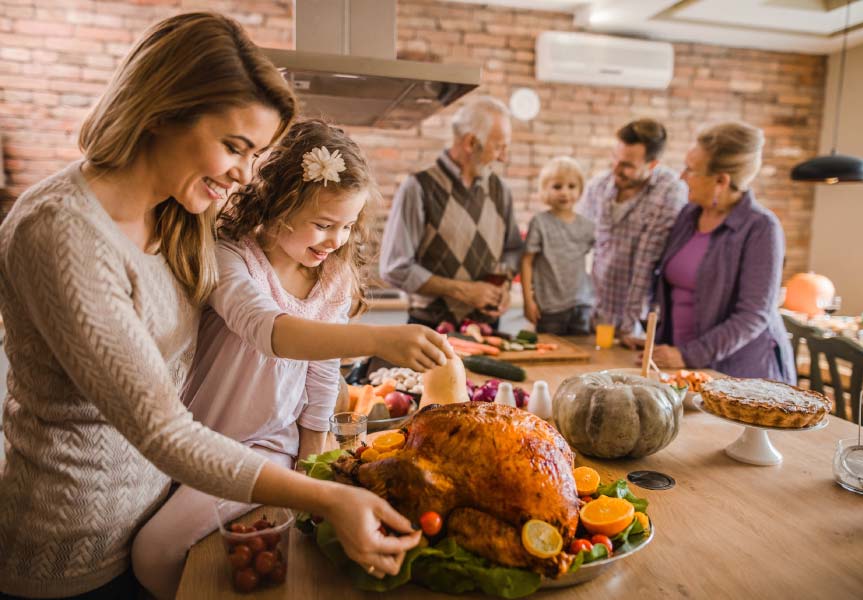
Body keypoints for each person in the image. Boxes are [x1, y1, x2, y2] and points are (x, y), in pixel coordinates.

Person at [0, 14, 428, 598]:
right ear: (162, 109)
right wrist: (327, 493)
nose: (245, 175)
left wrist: (314, 449)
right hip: (75, 551)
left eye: (256, 154)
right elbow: (164, 430)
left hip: (153, 510)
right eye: (235, 147)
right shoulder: (61, 232)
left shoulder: (179, 216)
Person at [130, 119, 452, 599]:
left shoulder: (333, 281)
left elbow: (323, 376)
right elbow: (267, 331)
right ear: (280, 207)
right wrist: (375, 339)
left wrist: (311, 461)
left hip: (265, 449)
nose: (335, 241)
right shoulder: (230, 258)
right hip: (197, 442)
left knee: (153, 551)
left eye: (347, 226)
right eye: (323, 225)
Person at [649, 122, 796, 383]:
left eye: (691, 170)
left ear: (721, 181)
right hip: (684, 367)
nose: (682, 177)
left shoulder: (761, 227)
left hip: (740, 375)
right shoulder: (688, 216)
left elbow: (753, 315)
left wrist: (688, 355)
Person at [379, 96, 524, 330]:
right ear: (470, 143)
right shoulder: (419, 188)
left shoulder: (501, 190)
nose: (504, 157)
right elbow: (395, 268)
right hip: (430, 331)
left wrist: (503, 287)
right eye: (498, 147)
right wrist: (463, 291)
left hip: (487, 330)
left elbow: (513, 250)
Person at [577, 118, 687, 345]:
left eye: (627, 165)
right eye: (615, 158)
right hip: (595, 316)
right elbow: (578, 246)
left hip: (640, 325)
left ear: (652, 164)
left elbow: (647, 260)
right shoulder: (598, 186)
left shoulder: (669, 190)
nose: (616, 168)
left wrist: (631, 325)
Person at [521, 156, 594, 335]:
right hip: (549, 308)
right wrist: (528, 301)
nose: (564, 192)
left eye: (571, 186)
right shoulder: (539, 223)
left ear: (580, 190)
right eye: (557, 186)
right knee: (551, 354)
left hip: (581, 304)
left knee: (582, 354)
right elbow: (526, 262)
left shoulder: (587, 226)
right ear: (545, 189)